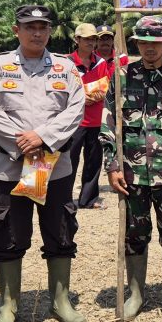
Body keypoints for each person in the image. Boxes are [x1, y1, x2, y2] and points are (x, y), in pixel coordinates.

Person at [0, 5, 87, 322]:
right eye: (30, 27)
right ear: (17, 30)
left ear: (50, 30)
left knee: (61, 230)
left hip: (55, 168)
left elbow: (76, 109)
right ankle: (9, 304)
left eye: (43, 27)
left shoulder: (65, 68)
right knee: (8, 233)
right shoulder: (0, 66)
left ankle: (60, 300)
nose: (37, 33)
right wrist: (23, 143)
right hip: (12, 168)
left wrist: (42, 138)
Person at [101, 17, 162, 321]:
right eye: (143, 42)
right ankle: (136, 294)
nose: (150, 48)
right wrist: (112, 165)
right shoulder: (121, 76)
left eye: (156, 43)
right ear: (136, 44)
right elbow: (109, 123)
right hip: (131, 173)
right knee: (134, 234)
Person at [67, 23, 110, 210]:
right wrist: (82, 96)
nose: (91, 42)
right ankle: (64, 198)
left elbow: (105, 87)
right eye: (86, 39)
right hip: (74, 121)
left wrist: (95, 94)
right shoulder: (67, 63)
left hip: (96, 120)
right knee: (69, 160)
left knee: (94, 161)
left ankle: (89, 199)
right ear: (77, 40)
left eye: (93, 39)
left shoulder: (100, 63)